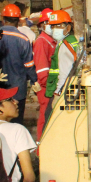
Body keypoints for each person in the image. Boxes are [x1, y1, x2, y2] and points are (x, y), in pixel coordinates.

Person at [0, 4, 38, 125]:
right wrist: (34, 80)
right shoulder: (23, 39)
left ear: (3, 19)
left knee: (0, 119)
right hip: (18, 87)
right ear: (18, 21)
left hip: (0, 85)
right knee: (16, 120)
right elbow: (29, 64)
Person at [43, 10, 80, 127]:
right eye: (53, 26)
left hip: (64, 91)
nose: (55, 29)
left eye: (58, 26)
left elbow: (64, 73)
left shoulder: (65, 45)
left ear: (68, 28)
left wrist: (57, 94)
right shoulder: (73, 41)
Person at [32, 8, 55, 138]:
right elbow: (42, 70)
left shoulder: (50, 41)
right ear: (42, 25)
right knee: (44, 120)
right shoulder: (42, 42)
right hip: (46, 87)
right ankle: (41, 151)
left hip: (49, 86)